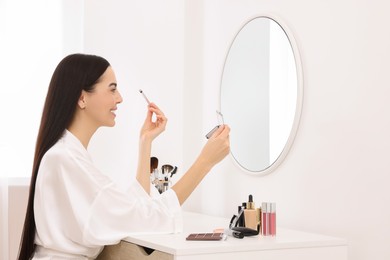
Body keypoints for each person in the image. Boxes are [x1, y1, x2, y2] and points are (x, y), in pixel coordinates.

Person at [18, 53, 230, 260]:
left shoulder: (64, 154)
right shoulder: (66, 159)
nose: (119, 98)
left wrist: (145, 142)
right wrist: (205, 162)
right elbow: (145, 217)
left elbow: (130, 209)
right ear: (82, 98)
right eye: (112, 89)